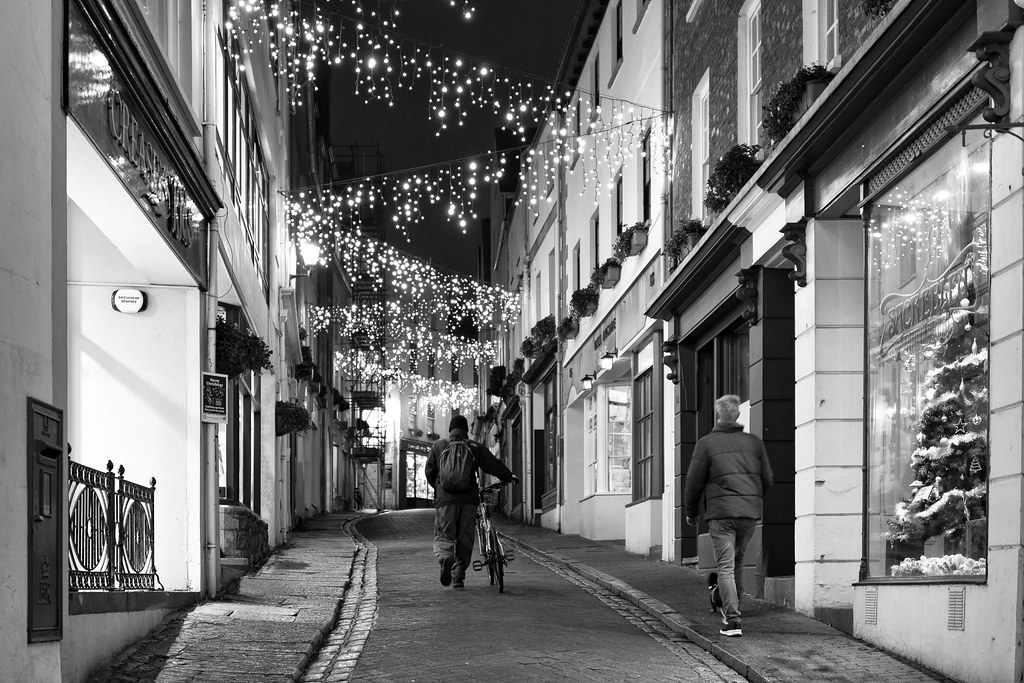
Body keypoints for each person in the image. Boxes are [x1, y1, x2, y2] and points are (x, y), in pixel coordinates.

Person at [683, 394, 773, 638]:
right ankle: (733, 606)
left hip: (721, 515)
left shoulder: (707, 444)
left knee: (725, 566)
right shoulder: (754, 442)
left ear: (718, 415)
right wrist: (752, 501)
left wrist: (691, 512)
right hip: (748, 514)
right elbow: (767, 479)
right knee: (737, 562)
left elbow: (693, 481)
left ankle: (732, 621)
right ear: (738, 415)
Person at [426, 414, 515, 589]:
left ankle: (445, 558)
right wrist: (507, 476)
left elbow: (429, 471)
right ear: (466, 431)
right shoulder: (474, 447)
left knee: (444, 534)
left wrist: (440, 488)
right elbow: (493, 465)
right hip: (468, 501)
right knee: (465, 538)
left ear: (450, 430)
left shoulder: (438, 446)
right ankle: (458, 574)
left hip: (445, 502)